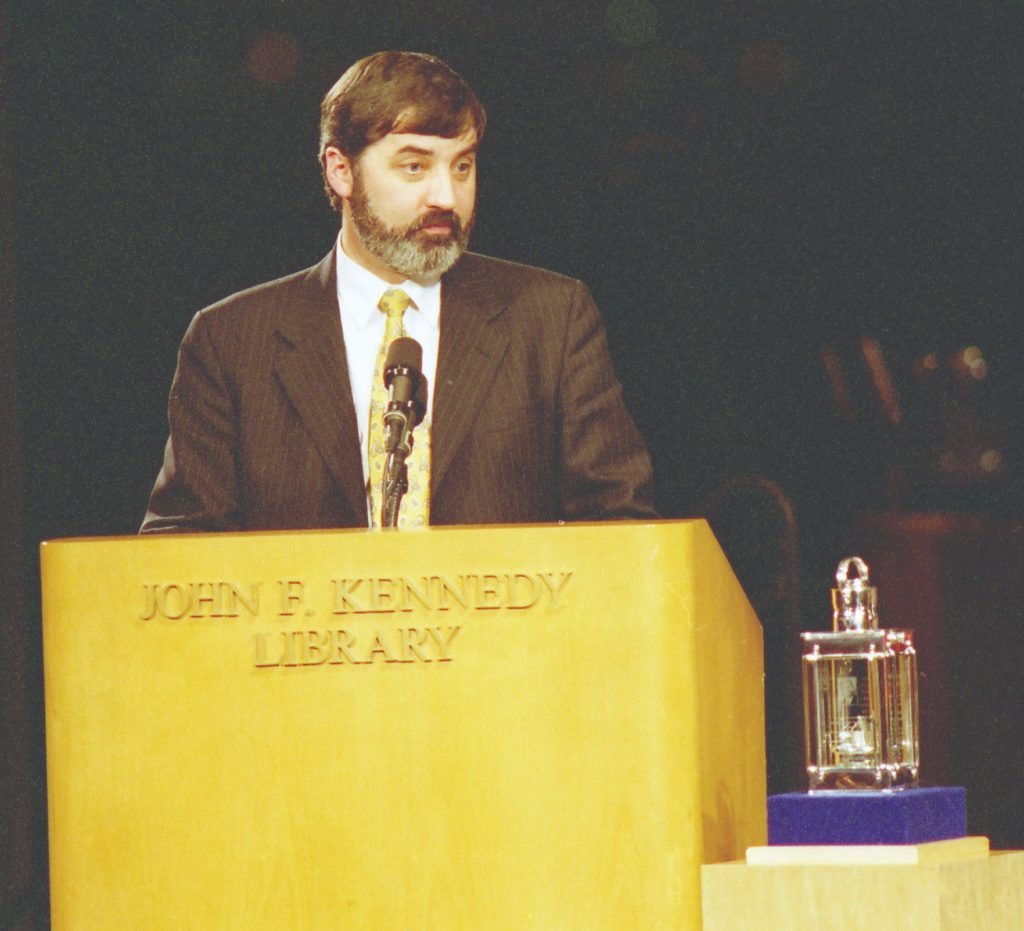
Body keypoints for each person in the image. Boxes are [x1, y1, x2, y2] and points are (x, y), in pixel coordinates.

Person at [141, 50, 654, 533]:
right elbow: (183, 558)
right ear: (341, 171)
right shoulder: (230, 340)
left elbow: (621, 530)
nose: (446, 196)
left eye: (462, 166)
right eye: (415, 166)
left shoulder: (551, 318)